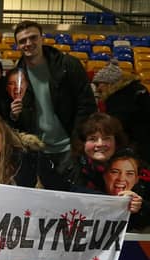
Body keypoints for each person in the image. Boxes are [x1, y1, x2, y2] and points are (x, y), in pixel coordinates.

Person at [12, 20, 96, 172]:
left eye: (33, 38)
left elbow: (87, 106)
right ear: (18, 46)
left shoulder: (69, 65)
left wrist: (78, 141)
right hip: (39, 151)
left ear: (42, 38)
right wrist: (15, 115)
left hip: (70, 148)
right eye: (22, 41)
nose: (28, 43)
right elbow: (21, 115)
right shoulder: (17, 75)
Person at [92, 59, 150, 164]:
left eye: (99, 84)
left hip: (139, 145)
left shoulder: (118, 98)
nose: (98, 89)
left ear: (109, 83)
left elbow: (117, 125)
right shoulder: (137, 88)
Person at [61, 112, 129, 191]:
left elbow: (145, 200)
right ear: (83, 143)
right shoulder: (70, 169)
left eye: (106, 138)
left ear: (116, 141)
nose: (100, 144)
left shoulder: (131, 165)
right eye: (92, 139)